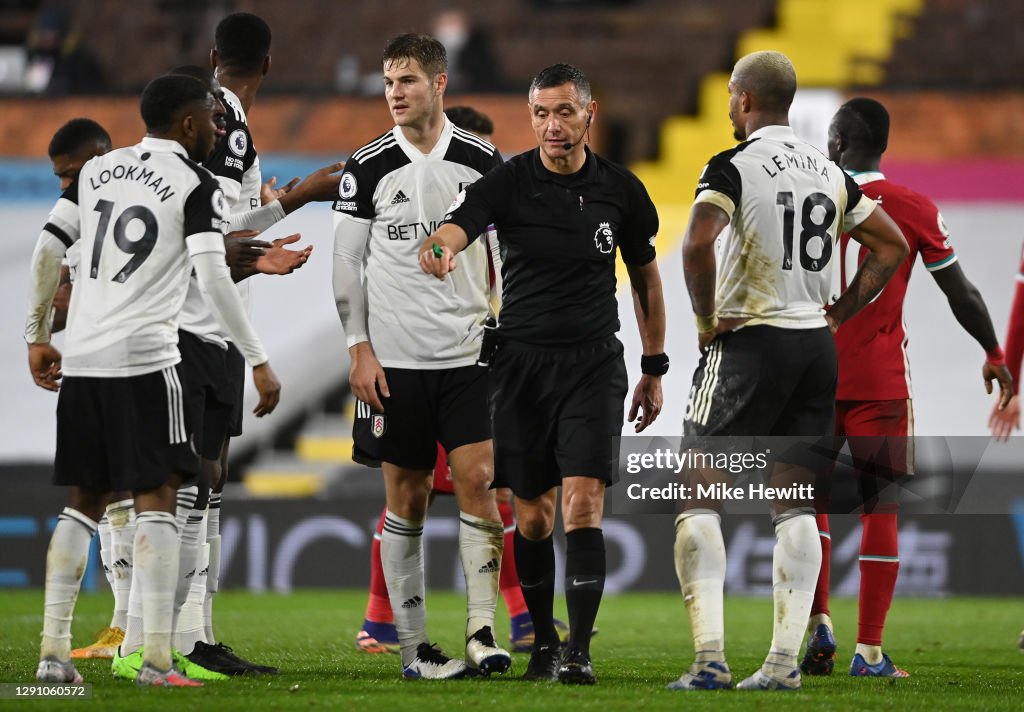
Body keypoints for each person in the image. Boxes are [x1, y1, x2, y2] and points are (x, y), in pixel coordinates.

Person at [28, 73, 280, 686]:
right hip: (148, 360)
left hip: (84, 359)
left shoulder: (97, 171)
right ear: (189, 123)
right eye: (212, 122)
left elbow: (46, 250)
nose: (219, 131)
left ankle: (51, 656)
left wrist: (37, 336)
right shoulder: (194, 182)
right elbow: (215, 276)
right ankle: (159, 662)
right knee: (163, 500)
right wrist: (258, 358)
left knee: (82, 504)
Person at [669, 51, 909, 692]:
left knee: (696, 488)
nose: (727, 106)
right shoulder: (827, 171)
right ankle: (780, 666)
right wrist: (840, 312)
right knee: (795, 500)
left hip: (751, 338)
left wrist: (703, 320)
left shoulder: (734, 166)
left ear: (744, 99)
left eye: (728, 95)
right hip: (814, 347)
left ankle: (710, 662)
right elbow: (892, 245)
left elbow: (696, 242)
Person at [420, 62, 666, 685]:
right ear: (530, 117)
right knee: (532, 515)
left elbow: (644, 279)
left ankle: (578, 650)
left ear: (589, 114)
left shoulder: (623, 190)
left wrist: (653, 365)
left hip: (593, 364)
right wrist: (443, 247)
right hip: (521, 366)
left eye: (563, 112)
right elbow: (461, 222)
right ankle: (544, 642)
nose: (551, 126)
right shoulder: (508, 182)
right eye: (540, 113)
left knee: (584, 504)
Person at [146, 15, 341, 680]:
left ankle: (192, 634)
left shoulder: (215, 120)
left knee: (205, 481)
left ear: (213, 55)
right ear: (270, 63)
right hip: (196, 324)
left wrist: (291, 203)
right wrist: (293, 209)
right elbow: (216, 245)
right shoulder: (220, 121)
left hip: (208, 324)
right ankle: (173, 639)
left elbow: (226, 230)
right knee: (191, 481)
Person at [800, 97, 1013, 679]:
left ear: (838, 144)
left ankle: (817, 622)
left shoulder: (810, 204)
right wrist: (993, 351)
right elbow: (960, 293)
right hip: (880, 383)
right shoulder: (914, 208)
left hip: (810, 378)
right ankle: (869, 653)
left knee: (807, 507)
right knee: (879, 508)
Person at [333, 34, 509, 680]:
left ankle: (482, 633)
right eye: (387, 82)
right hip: (394, 363)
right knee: (405, 498)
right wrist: (358, 348)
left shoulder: (483, 161)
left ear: (439, 84)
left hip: (467, 355)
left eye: (406, 80)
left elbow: (509, 255)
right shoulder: (368, 165)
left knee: (479, 483)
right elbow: (345, 264)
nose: (394, 93)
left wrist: (506, 328)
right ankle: (414, 649)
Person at [39, 118, 136, 662]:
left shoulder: (130, 205)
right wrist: (54, 322)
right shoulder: (77, 214)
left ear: (102, 155)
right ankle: (120, 627)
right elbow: (61, 285)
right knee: (105, 500)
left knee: (132, 497)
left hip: (133, 366)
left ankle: (133, 628)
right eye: (58, 177)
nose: (63, 186)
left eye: (69, 173)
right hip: (88, 366)